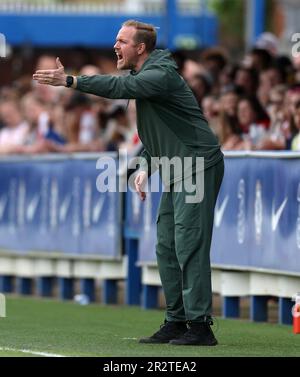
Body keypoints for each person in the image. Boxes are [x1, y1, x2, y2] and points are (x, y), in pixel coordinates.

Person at [33, 20, 224, 346]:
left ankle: (200, 326)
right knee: (166, 245)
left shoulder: (159, 75)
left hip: (197, 165)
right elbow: (165, 130)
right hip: (178, 166)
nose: (114, 46)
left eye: (121, 41)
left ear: (141, 48)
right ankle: (177, 320)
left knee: (189, 245)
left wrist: (71, 80)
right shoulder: (146, 77)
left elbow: (118, 88)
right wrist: (146, 166)